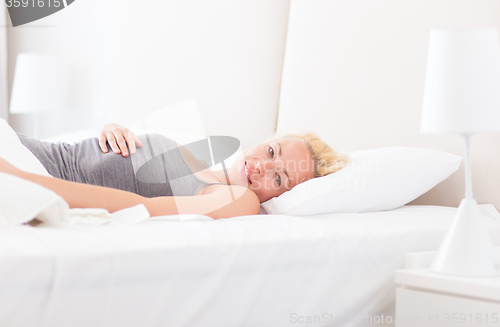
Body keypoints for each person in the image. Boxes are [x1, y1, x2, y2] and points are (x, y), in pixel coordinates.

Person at [0, 123, 348, 219]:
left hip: (36, 169)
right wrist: (111, 129)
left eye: (278, 177)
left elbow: (139, 206)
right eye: (271, 152)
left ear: (283, 195)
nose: (261, 166)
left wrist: (25, 180)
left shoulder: (239, 200)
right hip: (34, 148)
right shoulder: (201, 163)